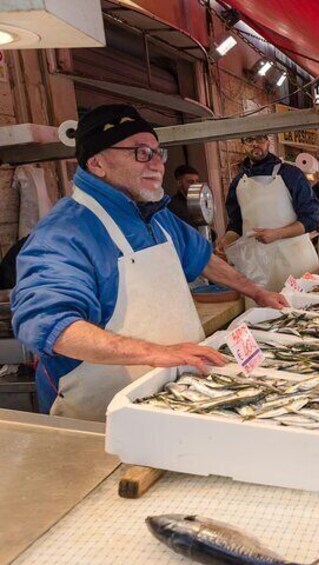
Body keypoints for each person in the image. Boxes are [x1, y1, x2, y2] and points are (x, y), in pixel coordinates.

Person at [11, 104, 287, 421]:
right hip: (100, 413)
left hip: (177, 394)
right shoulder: (63, 235)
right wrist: (157, 353)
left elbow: (203, 258)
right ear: (97, 163)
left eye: (158, 152)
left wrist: (256, 291)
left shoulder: (156, 216)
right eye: (141, 153)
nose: (157, 163)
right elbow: (50, 325)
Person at [216, 133, 319, 292]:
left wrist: (278, 233)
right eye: (249, 139)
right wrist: (226, 241)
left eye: (260, 139)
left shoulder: (291, 174)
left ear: (268, 142)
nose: (255, 144)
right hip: (256, 269)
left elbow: (311, 218)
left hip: (294, 262)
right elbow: (235, 225)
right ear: (243, 144)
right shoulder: (238, 182)